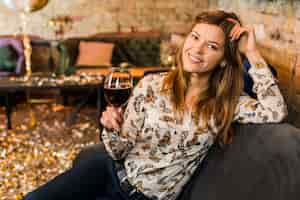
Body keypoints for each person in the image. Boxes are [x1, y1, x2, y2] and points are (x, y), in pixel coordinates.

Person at [23, 10, 287, 200]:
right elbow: (119, 152)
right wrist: (113, 129)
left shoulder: (227, 104)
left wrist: (251, 52)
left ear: (222, 59)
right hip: (108, 172)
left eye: (211, 46)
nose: (197, 50)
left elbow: (276, 111)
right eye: (194, 37)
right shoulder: (153, 85)